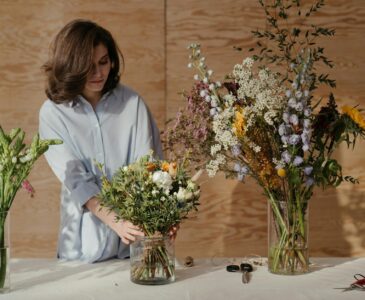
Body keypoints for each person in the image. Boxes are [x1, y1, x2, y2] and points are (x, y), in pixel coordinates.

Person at [39, 19, 172, 263]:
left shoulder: (133, 104)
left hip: (131, 248)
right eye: (88, 66)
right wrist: (117, 222)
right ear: (72, 66)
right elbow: (77, 181)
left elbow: (151, 171)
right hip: (80, 250)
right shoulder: (53, 113)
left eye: (103, 62)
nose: (99, 73)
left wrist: (160, 223)